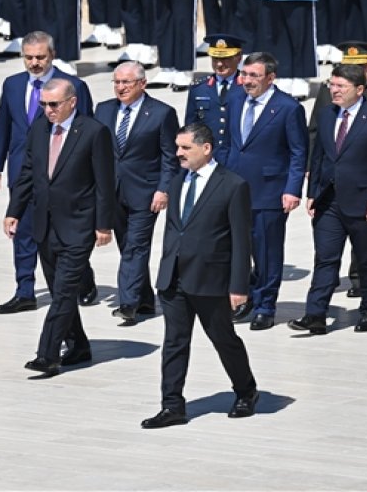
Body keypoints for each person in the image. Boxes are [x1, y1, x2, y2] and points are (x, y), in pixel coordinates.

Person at [141, 123, 259, 429]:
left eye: (185, 148)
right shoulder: (179, 182)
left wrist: (239, 285)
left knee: (223, 339)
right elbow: (173, 228)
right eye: (177, 147)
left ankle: (246, 391)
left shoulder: (232, 185)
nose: (178, 154)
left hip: (211, 280)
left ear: (206, 148)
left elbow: (241, 239)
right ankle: (172, 406)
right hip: (174, 279)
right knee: (174, 343)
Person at [5, 78, 115, 377]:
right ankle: (78, 345)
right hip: (44, 224)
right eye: (43, 105)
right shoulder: (39, 128)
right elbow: (28, 172)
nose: (48, 110)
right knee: (58, 290)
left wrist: (104, 225)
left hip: (79, 224)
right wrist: (14, 211)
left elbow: (105, 182)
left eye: (53, 104)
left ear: (72, 102)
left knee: (65, 291)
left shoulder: (94, 132)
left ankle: (48, 355)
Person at [0, 31, 93, 314]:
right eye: (29, 57)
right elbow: (4, 127)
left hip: (61, 174)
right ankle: (25, 290)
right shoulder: (12, 85)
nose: (34, 63)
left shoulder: (73, 86)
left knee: (64, 232)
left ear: (52, 55)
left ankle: (83, 280)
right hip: (22, 172)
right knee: (22, 230)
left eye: (40, 57)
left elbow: (88, 132)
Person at [290, 63, 367, 334]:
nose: (334, 91)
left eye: (341, 86)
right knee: (325, 258)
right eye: (332, 85)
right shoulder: (327, 115)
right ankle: (315, 313)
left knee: (366, 258)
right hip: (329, 201)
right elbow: (319, 156)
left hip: (363, 201)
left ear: (359, 90)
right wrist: (312, 193)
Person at [307, 41, 367, 297]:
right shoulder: (330, 93)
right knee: (328, 247)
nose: (356, 71)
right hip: (332, 184)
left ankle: (361, 282)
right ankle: (316, 308)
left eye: (361, 66)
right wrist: (311, 177)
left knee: (365, 246)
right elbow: (316, 132)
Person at [225, 51, 308, 330]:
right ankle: (244, 297)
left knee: (266, 253)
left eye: (254, 76)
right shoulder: (235, 98)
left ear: (270, 78)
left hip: (269, 191)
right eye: (244, 74)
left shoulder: (287, 107)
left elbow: (298, 152)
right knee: (237, 248)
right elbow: (230, 143)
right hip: (235, 188)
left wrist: (292, 189)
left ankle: (265, 306)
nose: (246, 81)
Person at [94, 61, 179, 324]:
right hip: (112, 192)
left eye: (126, 83)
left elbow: (170, 156)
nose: (120, 88)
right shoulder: (104, 110)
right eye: (117, 82)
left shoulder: (162, 113)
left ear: (142, 84)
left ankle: (128, 303)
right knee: (126, 245)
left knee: (136, 247)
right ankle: (144, 300)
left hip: (146, 193)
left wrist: (164, 189)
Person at [184, 34, 242, 164]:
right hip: (209, 159)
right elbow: (191, 127)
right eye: (215, 59)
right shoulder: (198, 88)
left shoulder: (247, 87)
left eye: (226, 58)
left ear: (238, 57)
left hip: (239, 159)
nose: (220, 64)